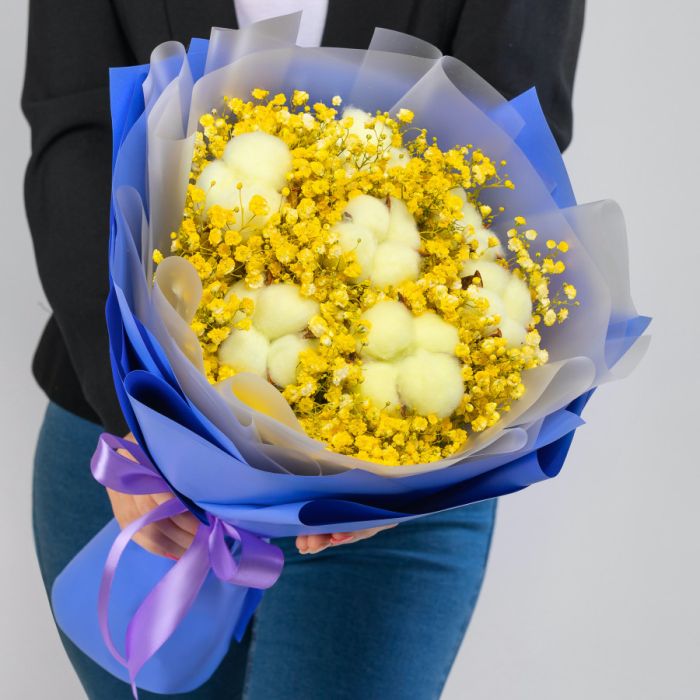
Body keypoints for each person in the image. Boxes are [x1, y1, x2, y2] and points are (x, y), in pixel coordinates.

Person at [23, 1, 584, 697]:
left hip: (390, 476)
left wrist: (400, 464)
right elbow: (71, 134)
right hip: (131, 455)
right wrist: (132, 421)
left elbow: (510, 149)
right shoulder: (129, 430)